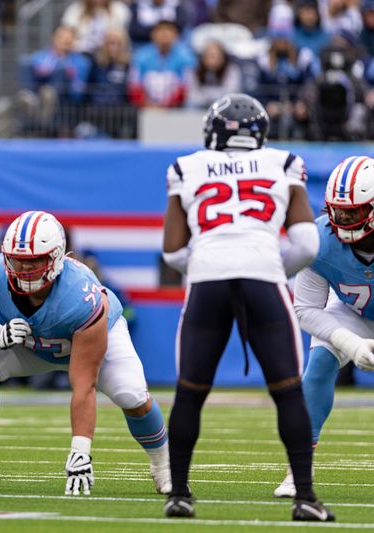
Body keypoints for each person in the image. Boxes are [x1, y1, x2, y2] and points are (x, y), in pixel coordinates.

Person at [161, 93, 333, 521]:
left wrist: (207, 260)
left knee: (190, 391)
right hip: (262, 278)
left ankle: (179, 493)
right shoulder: (283, 162)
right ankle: (305, 499)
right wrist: (271, 266)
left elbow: (171, 250)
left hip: (207, 279)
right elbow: (308, 243)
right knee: (288, 390)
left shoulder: (187, 166)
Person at [0, 211, 171, 495]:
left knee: (130, 394)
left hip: (94, 341)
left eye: (35, 260)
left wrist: (80, 450)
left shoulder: (79, 293)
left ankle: (165, 467)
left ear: (56, 257)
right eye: (17, 260)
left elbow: (84, 385)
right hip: (35, 345)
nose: (25, 269)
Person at [273, 156, 374, 498]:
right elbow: (306, 308)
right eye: (338, 210)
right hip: (354, 312)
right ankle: (298, 470)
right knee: (318, 368)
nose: (343, 219)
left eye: (353, 212)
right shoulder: (319, 238)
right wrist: (349, 342)